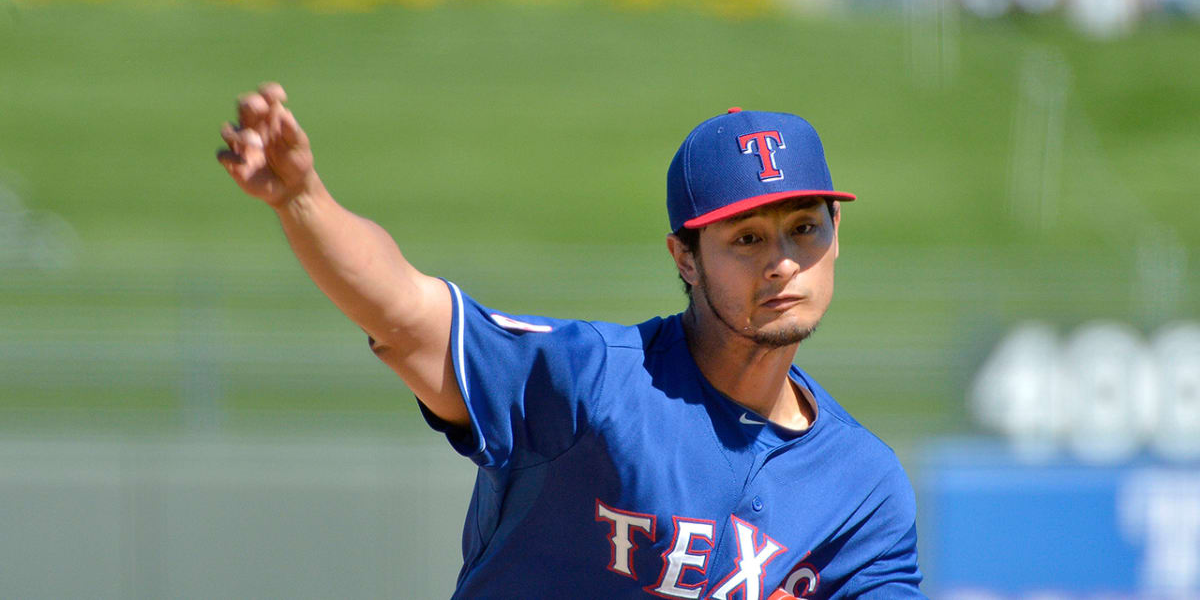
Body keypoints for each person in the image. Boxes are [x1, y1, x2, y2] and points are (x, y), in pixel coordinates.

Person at [216, 84, 925, 599]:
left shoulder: (862, 485)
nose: (782, 261)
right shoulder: (596, 383)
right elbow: (407, 315)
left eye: (806, 228)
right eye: (746, 237)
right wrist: (303, 199)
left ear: (837, 237)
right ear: (685, 257)